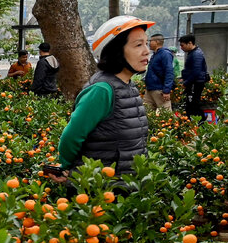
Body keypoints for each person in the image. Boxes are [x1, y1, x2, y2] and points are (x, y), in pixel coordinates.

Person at [53, 15, 153, 182]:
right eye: (138, 45)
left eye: (146, 43)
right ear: (116, 51)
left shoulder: (128, 86)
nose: (146, 51)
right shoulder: (101, 90)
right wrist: (66, 168)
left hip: (125, 186)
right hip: (100, 187)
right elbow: (71, 137)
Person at [142, 33, 174, 113]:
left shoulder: (165, 54)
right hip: (150, 88)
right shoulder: (155, 55)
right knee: (147, 112)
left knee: (166, 113)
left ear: (157, 42)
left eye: (151, 41)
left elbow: (169, 72)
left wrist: (166, 90)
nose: (149, 43)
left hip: (159, 89)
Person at [180, 34, 210, 119]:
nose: (181, 48)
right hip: (193, 82)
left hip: (195, 83)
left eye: (182, 45)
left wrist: (186, 83)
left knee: (193, 104)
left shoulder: (196, 54)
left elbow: (196, 72)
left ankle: (199, 121)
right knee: (192, 104)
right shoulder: (193, 53)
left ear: (190, 43)